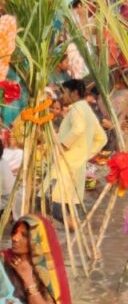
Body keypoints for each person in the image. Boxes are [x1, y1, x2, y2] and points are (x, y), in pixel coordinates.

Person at [53, 78, 106, 222]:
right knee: (71, 201)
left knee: (59, 203)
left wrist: (64, 145)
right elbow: (102, 138)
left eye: (64, 92)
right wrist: (86, 154)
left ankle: (71, 226)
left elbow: (78, 129)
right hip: (76, 163)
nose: (62, 96)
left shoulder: (76, 108)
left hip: (69, 162)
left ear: (74, 93)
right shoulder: (85, 108)